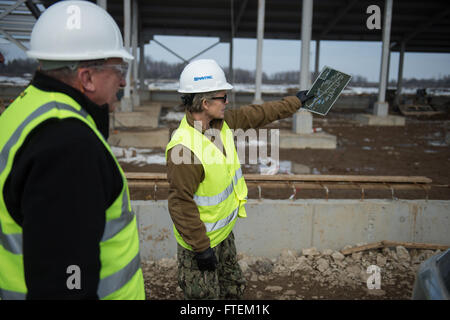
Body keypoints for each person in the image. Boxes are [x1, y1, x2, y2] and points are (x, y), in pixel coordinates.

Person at [0, 1, 145, 300]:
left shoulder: (27, 108)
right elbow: (67, 281)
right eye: (118, 69)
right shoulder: (68, 146)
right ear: (87, 77)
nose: (122, 80)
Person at [165, 59, 314, 299]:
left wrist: (296, 101)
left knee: (232, 289)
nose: (227, 102)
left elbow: (260, 114)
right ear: (205, 103)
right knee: (205, 298)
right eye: (223, 97)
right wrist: (202, 249)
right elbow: (180, 204)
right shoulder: (184, 149)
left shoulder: (222, 123)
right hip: (200, 243)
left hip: (223, 235)